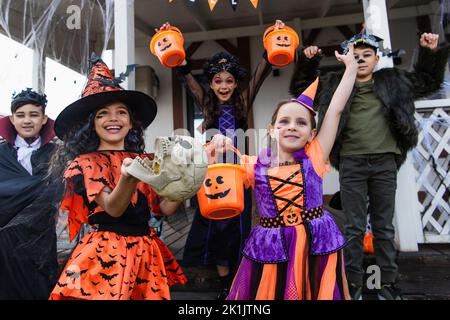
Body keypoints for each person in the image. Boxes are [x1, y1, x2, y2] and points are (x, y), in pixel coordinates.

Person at [290, 32, 449, 300]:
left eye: (367, 55)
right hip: (352, 162)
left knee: (383, 227)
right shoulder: (335, 85)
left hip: (385, 161)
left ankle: (383, 283)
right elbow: (301, 89)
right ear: (346, 60)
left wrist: (430, 53)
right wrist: (309, 61)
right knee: (353, 226)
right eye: (355, 55)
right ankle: (353, 283)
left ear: (377, 59)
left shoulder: (393, 81)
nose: (361, 59)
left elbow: (428, 82)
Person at [222, 44, 358, 300]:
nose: (292, 127)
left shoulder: (315, 156)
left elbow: (336, 110)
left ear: (312, 133)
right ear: (271, 129)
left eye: (301, 123)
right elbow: (220, 175)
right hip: (272, 244)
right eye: (284, 121)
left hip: (315, 240)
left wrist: (350, 68)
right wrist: (215, 146)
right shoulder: (253, 164)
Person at [49, 54, 187, 300]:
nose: (113, 118)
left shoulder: (145, 160)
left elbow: (164, 207)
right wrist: (128, 177)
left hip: (145, 251)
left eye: (121, 112)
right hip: (106, 254)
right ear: (91, 124)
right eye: (102, 113)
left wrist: (185, 183)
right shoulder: (84, 164)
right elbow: (113, 208)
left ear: (131, 121)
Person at [171, 21, 276, 299]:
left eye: (229, 80)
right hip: (214, 172)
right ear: (212, 84)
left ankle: (238, 283)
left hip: (239, 172)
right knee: (215, 225)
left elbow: (260, 74)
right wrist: (177, 53)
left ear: (235, 83)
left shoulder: (242, 101)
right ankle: (223, 283)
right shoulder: (205, 103)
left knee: (239, 224)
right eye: (218, 81)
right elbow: (187, 78)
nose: (224, 85)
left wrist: (271, 43)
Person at [0, 88, 58, 299]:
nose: (27, 120)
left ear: (44, 119)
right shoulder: (1, 154)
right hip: (5, 239)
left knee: (41, 290)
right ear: (12, 119)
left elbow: (57, 190)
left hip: (42, 239)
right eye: (20, 115)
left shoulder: (56, 155)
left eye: (34, 115)